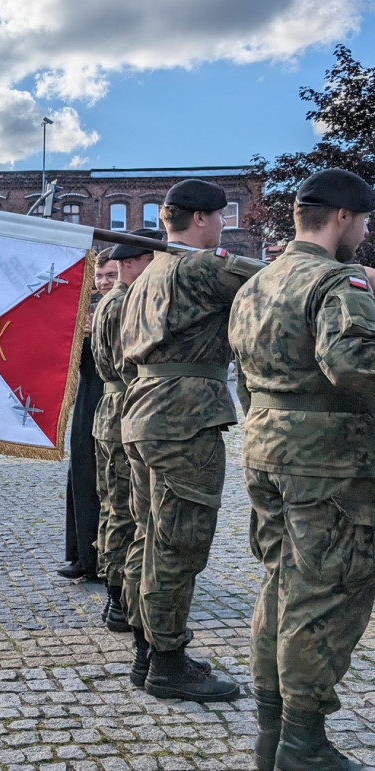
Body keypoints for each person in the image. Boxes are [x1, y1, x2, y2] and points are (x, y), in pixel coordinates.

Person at [228, 168, 375, 771]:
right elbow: (354, 364)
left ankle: (273, 732)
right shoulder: (338, 281)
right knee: (326, 594)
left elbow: (242, 376)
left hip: (266, 450)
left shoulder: (255, 286)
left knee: (283, 584)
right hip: (330, 466)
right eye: (364, 221)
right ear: (342, 216)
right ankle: (303, 743)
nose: (364, 233)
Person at [119, 179, 265, 702]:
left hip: (142, 412)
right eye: (221, 217)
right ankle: (167, 662)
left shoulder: (143, 279)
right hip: (184, 417)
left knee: (147, 534)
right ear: (201, 219)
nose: (224, 225)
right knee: (178, 542)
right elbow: (280, 284)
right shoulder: (201, 267)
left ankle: (146, 651)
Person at [90, 231, 163, 634]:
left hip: (112, 408)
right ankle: (119, 598)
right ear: (135, 262)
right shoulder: (126, 302)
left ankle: (116, 590)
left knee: (113, 505)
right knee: (124, 509)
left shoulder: (109, 301)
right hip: (125, 407)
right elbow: (131, 362)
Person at [58, 251, 115, 581]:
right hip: (87, 401)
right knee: (80, 475)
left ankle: (106, 557)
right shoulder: (86, 311)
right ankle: (81, 554)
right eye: (99, 276)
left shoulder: (127, 308)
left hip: (114, 397)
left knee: (109, 481)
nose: (103, 282)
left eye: (110, 275)